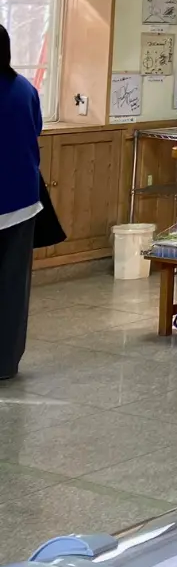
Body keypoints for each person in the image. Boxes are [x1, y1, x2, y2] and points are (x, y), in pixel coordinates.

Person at [0, 25, 44, 381]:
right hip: (21, 203)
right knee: (13, 286)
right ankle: (5, 363)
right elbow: (36, 129)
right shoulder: (25, 89)